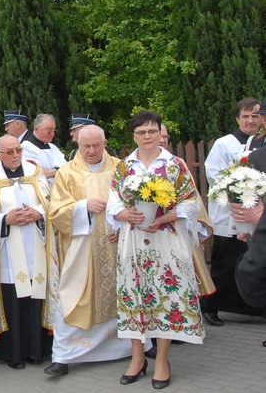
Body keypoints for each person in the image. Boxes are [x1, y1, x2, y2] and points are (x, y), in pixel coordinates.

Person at [106, 110, 206, 390]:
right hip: (134, 242)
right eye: (141, 133)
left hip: (167, 241)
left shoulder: (175, 165)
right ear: (134, 135)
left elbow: (190, 203)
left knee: (166, 294)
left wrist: (162, 218)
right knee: (135, 294)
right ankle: (137, 358)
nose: (147, 137)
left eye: (152, 131)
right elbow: (113, 202)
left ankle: (162, 359)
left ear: (160, 132)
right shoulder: (124, 167)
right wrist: (126, 215)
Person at [44, 125, 134, 377]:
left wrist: (123, 224)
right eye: (86, 146)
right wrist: (83, 206)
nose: (92, 151)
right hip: (83, 248)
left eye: (97, 145)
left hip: (118, 245)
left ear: (105, 143)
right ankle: (63, 356)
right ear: (78, 145)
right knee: (73, 296)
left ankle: (133, 347)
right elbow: (56, 211)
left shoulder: (120, 168)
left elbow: (134, 202)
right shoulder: (67, 173)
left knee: (124, 293)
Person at [0, 135, 54, 369]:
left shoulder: (35, 171)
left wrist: (39, 213)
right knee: (14, 298)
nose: (15, 155)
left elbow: (51, 200)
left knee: (36, 295)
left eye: (18, 150)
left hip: (36, 242)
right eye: (9, 152)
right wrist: (5, 219)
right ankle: (14, 354)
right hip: (9, 250)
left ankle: (37, 351)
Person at [201, 97, 263, 327]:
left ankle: (251, 308)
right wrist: (238, 189)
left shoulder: (262, 143)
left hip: (257, 216)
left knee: (254, 264)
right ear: (237, 118)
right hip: (230, 214)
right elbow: (214, 175)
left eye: (255, 115)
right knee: (225, 264)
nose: (250, 120)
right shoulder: (225, 144)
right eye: (245, 116)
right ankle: (210, 306)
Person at [21, 114, 67, 185]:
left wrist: (54, 171)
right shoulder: (26, 147)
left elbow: (66, 168)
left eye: (53, 130)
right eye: (48, 130)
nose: (52, 134)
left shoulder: (53, 148)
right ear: (36, 129)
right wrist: (57, 170)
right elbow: (38, 172)